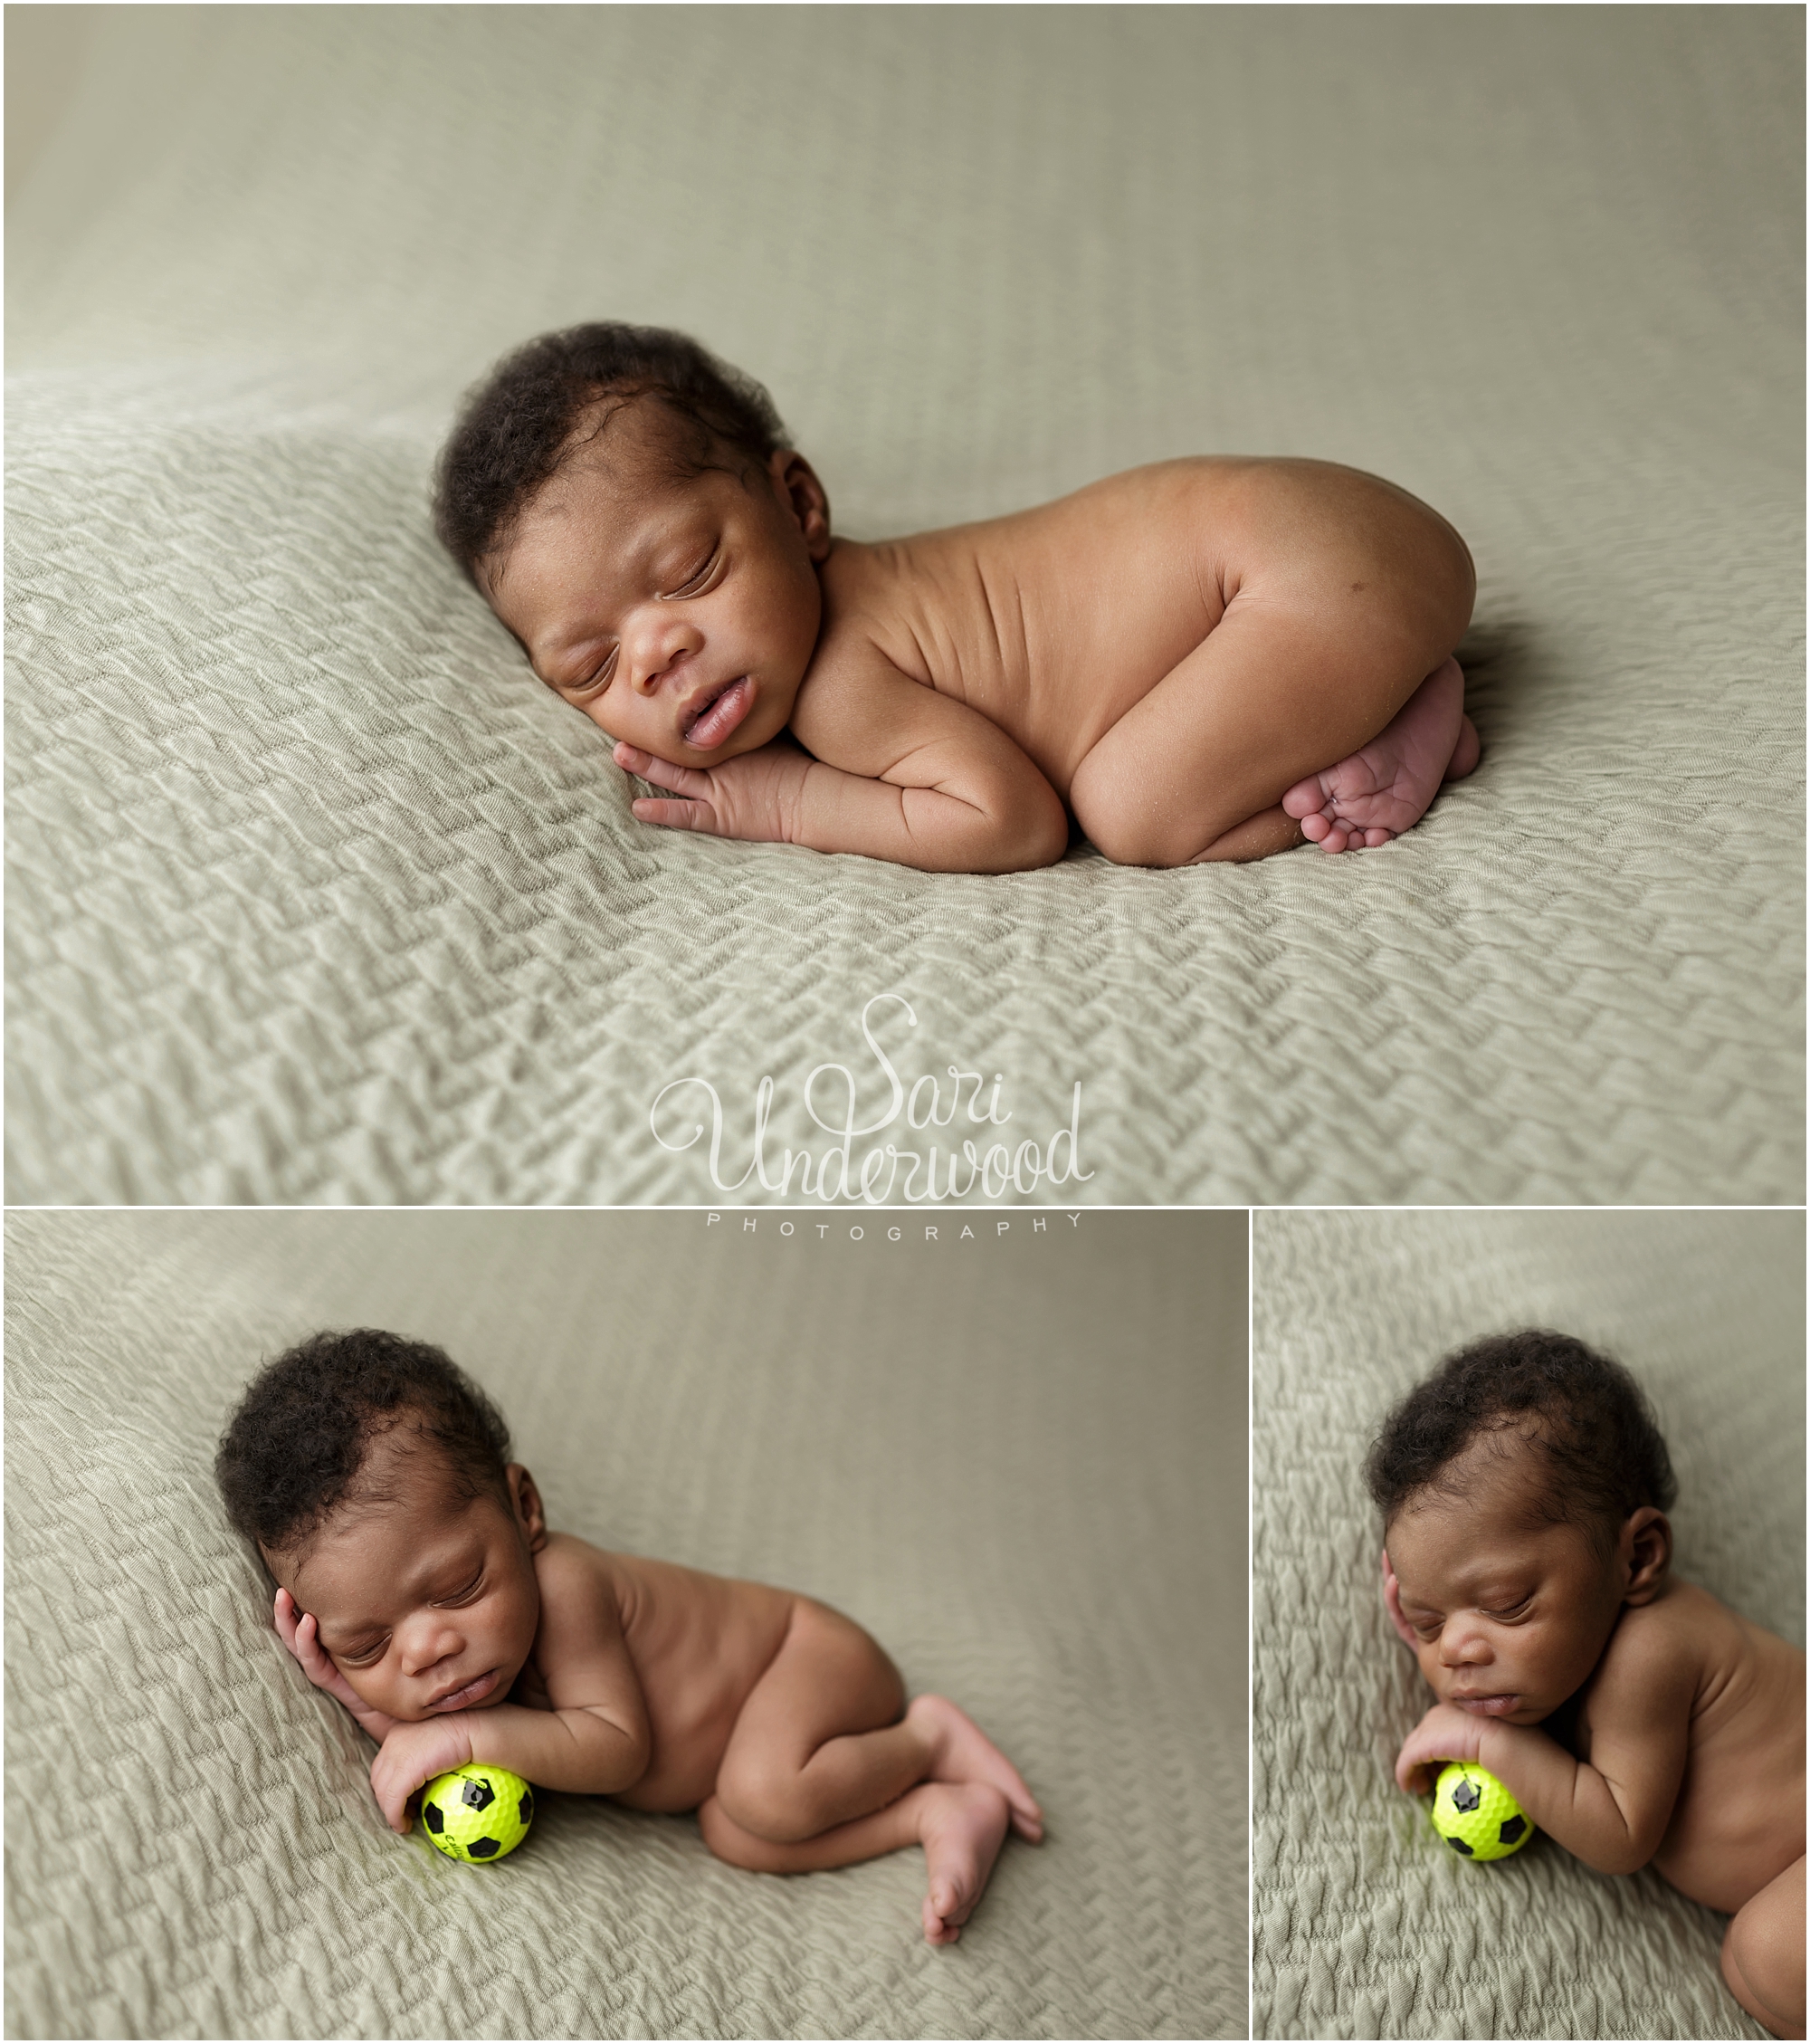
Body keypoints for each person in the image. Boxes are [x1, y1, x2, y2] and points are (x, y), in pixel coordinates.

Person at [433, 322, 1480, 873]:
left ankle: (1407, 708)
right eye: (591, 666)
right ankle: (1378, 679)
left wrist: (789, 803)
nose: (655, 651)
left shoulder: (845, 680)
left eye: (693, 571)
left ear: (799, 507)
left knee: (1133, 809)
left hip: (1306, 567)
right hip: (1332, 538)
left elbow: (1010, 821)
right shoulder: (847, 619)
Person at [215, 1330, 1042, 1946]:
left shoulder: (568, 1587)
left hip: (806, 1658)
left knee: (765, 1795)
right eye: (367, 1645)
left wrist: (463, 1735)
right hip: (726, 1766)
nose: (428, 1651)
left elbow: (615, 1750)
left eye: (460, 1587)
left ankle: (927, 1734)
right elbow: (433, 1747)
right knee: (737, 1831)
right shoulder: (445, 1675)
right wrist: (351, 1693)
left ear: (524, 1510)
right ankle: (938, 1810)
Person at [1371, 1332, 1805, 2039]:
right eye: (1426, 1622)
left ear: (1636, 1557)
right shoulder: (1559, 1657)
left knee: (1767, 1956)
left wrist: (1486, 1742)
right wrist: (1431, 1631)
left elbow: (1621, 1834)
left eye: (1506, 1602)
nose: (1456, 1650)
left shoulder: (1649, 1651)